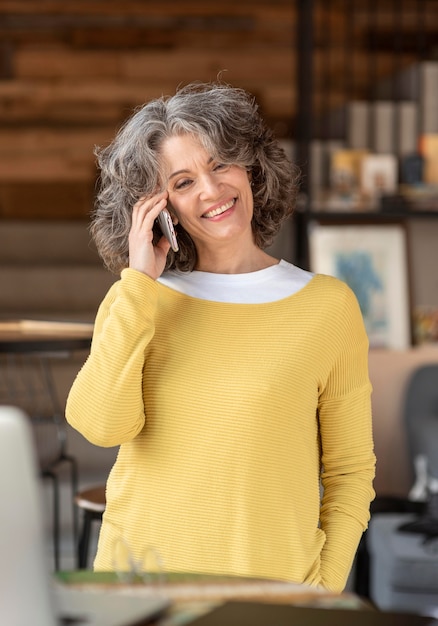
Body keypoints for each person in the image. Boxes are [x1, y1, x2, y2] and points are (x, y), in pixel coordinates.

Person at [66, 81, 376, 593]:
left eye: (219, 165)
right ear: (158, 209)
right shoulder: (140, 301)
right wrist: (141, 282)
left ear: (250, 168)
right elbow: (100, 424)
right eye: (183, 182)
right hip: (141, 589)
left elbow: (350, 472)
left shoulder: (327, 305)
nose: (210, 191)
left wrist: (320, 587)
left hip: (275, 593)